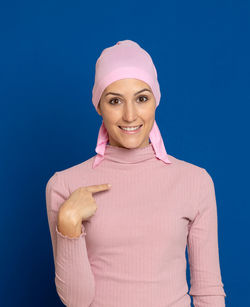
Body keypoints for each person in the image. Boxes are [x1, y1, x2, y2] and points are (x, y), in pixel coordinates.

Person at [45, 40, 227, 307]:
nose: (130, 115)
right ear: (98, 106)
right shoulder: (64, 185)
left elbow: (208, 291)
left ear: (156, 101)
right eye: (115, 101)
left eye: (142, 98)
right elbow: (76, 301)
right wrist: (69, 223)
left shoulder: (195, 181)